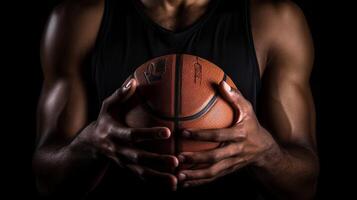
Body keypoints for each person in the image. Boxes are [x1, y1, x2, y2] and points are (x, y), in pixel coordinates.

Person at [33, 0, 319, 199]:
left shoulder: (275, 21)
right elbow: (47, 180)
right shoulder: (77, 20)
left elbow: (305, 184)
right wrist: (92, 143)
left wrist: (265, 153)